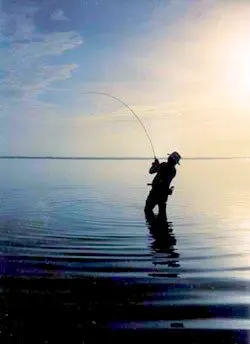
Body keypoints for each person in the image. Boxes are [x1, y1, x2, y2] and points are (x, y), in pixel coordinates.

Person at [144, 151, 181, 221]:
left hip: (154, 194)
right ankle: (163, 229)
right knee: (162, 216)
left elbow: (151, 171)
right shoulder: (174, 171)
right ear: (175, 162)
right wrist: (157, 165)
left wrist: (155, 165)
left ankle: (154, 226)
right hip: (163, 196)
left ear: (169, 158)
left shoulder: (163, 166)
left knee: (147, 210)